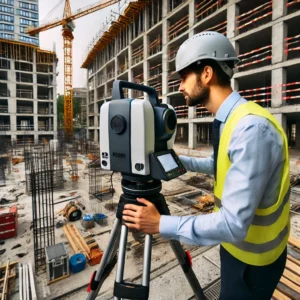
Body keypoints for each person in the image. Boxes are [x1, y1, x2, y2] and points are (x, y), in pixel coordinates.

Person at [122, 31, 290, 300]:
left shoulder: (251, 130)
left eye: (183, 77)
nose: (180, 86)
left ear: (207, 73)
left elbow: (234, 224)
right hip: (238, 250)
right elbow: (219, 164)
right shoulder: (231, 119)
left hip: (254, 263)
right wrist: (175, 162)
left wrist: (160, 223)